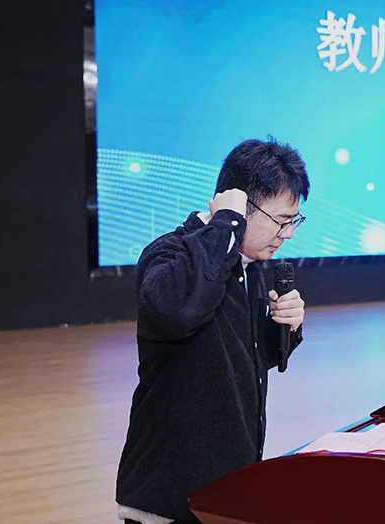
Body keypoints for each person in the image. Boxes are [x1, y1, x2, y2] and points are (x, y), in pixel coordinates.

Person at [116, 138, 309, 523]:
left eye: (294, 221)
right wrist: (227, 223)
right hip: (167, 499)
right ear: (240, 205)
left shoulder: (247, 268)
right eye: (282, 220)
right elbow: (181, 310)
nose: (288, 234)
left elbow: (244, 358)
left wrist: (284, 326)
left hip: (221, 494)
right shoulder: (169, 253)